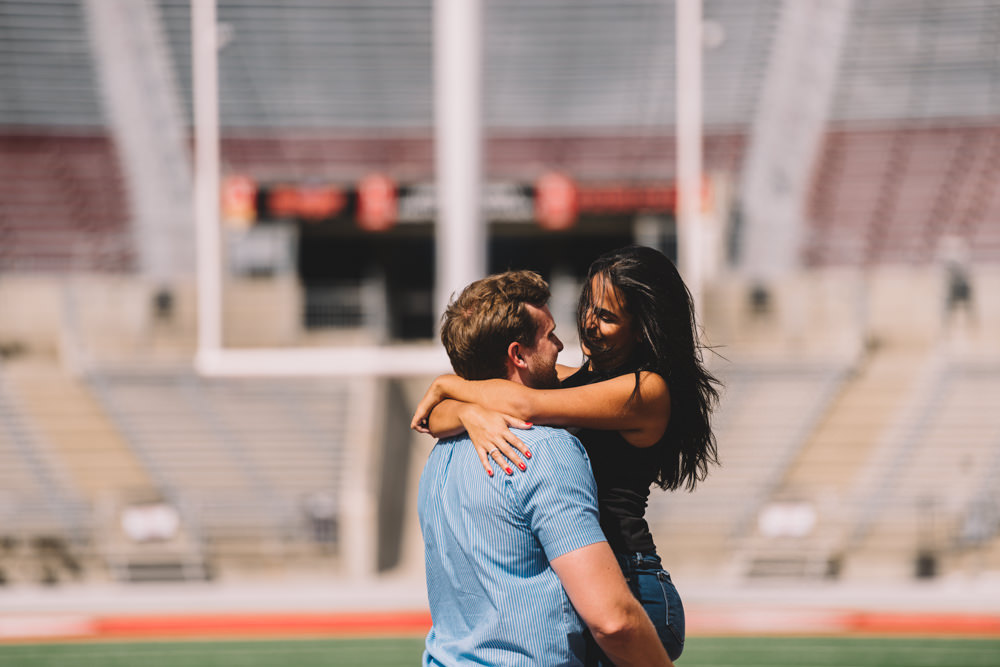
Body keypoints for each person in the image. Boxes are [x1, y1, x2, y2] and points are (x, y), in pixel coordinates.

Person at [412, 245, 721, 664]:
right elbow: (432, 419)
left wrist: (450, 385)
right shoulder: (573, 379)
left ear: (643, 327)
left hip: (632, 585)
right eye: (589, 307)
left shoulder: (646, 391)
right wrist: (466, 410)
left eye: (608, 317)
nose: (590, 325)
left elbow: (520, 403)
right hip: (590, 580)